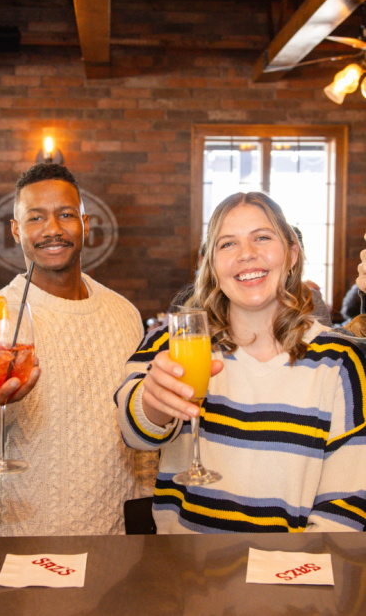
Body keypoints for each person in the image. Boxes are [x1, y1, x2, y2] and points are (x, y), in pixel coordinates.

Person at [116, 191, 366, 534]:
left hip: (291, 577)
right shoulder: (176, 342)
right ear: (211, 263)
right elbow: (135, 431)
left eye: (262, 238)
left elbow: (347, 506)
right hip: (188, 573)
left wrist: (286, 578)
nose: (247, 254)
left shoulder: (339, 360)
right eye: (227, 244)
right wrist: (153, 402)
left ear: (292, 253)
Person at [0, 163, 145, 536]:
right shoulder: (0, 313)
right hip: (23, 533)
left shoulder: (125, 313)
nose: (52, 229)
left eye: (66, 215)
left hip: (117, 534)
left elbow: (139, 426)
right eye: (36, 217)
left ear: (85, 223)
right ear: (16, 229)